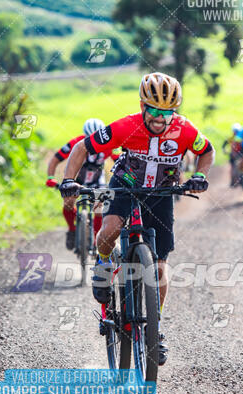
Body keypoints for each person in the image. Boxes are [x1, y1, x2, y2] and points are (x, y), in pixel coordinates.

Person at [59, 72, 215, 365]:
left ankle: (155, 330)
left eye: (167, 112)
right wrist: (68, 180)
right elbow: (82, 148)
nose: (160, 118)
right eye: (154, 111)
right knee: (111, 229)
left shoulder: (184, 130)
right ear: (143, 106)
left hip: (162, 192)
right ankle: (104, 263)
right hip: (125, 185)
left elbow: (207, 151)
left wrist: (199, 175)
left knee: (158, 267)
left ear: (175, 111)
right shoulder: (126, 126)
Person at [46, 118, 118, 251]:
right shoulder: (75, 143)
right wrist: (51, 177)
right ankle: (72, 229)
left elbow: (118, 160)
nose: (94, 142)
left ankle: (97, 241)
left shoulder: (109, 144)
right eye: (90, 138)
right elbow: (55, 159)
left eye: (97, 138)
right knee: (68, 202)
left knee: (98, 209)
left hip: (97, 179)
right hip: (77, 178)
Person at [222, 122, 242, 187]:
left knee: (234, 167)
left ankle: (234, 181)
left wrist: (224, 150)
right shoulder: (240, 138)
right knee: (235, 168)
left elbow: (224, 144)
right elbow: (224, 144)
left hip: (235, 155)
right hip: (237, 155)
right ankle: (235, 181)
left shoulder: (232, 138)